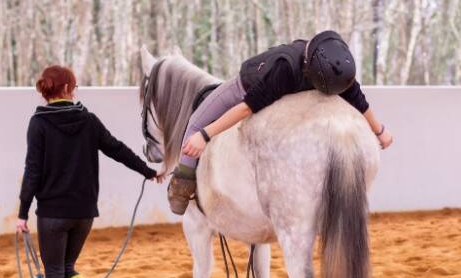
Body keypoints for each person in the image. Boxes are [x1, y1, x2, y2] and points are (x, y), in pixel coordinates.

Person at [17, 65, 162, 278]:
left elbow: (32, 171)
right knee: (67, 269)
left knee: (55, 273)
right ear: (69, 88)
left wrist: (22, 213)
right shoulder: (88, 120)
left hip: (53, 213)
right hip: (84, 212)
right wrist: (147, 172)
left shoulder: (39, 124)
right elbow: (117, 149)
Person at [167, 30, 394, 214]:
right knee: (198, 124)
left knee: (196, 123)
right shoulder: (283, 69)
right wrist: (380, 131)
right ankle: (185, 181)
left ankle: (182, 183)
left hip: (270, 88)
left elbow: (356, 97)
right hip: (250, 84)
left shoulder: (333, 70)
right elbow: (247, 106)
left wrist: (202, 133)